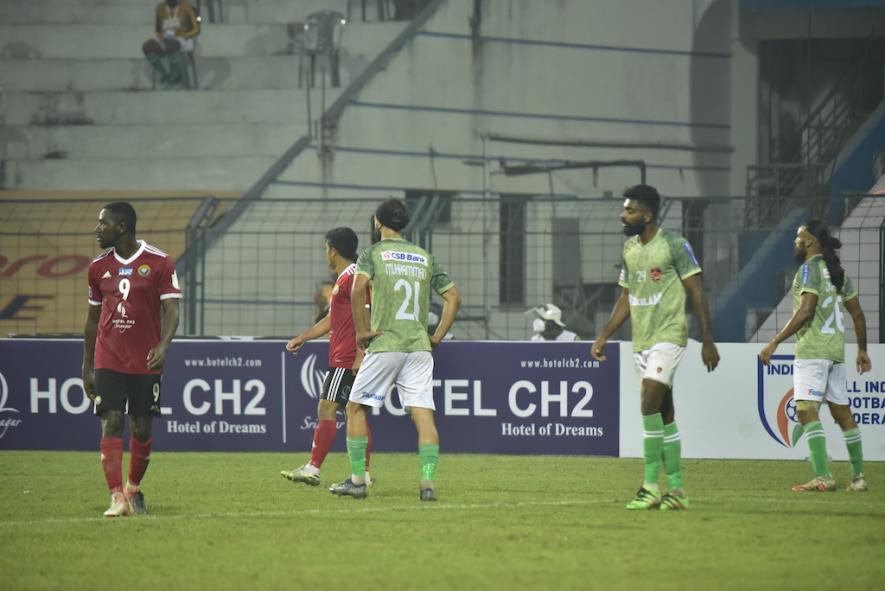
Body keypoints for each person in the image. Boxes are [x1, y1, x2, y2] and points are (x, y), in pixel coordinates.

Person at [591, 185, 719, 511]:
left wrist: (707, 339)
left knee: (648, 402)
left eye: (629, 210)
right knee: (664, 414)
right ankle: (677, 491)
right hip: (642, 340)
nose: (622, 215)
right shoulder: (630, 249)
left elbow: (697, 291)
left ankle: (649, 487)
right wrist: (604, 335)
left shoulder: (675, 244)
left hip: (669, 336)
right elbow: (626, 297)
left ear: (647, 215)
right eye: (624, 209)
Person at [330, 198, 460, 501]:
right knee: (423, 416)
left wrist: (362, 331)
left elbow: (357, 289)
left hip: (386, 343)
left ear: (378, 222)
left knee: (355, 408)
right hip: (418, 348)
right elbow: (454, 297)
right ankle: (427, 484)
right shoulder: (424, 256)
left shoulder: (373, 254)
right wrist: (437, 336)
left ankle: (357, 481)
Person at [82, 202, 181, 517]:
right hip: (108, 357)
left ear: (121, 227)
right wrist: (86, 366)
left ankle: (133, 489)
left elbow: (172, 310)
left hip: (145, 360)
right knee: (111, 420)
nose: (97, 229)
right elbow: (92, 320)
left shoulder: (160, 262)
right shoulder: (97, 267)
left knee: (141, 427)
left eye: (103, 223)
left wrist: (164, 345)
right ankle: (116, 497)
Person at [759, 220, 871, 492]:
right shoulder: (837, 272)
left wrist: (774, 341)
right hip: (835, 352)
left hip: (813, 351)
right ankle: (858, 478)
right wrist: (861, 349)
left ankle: (823, 476)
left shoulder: (809, 269)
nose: (795, 241)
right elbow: (857, 313)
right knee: (843, 414)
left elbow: (806, 311)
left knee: (806, 411)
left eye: (798, 237)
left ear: (809, 242)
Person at [281, 227, 373, 486]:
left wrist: (360, 353)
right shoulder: (346, 278)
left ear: (333, 250)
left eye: (326, 248)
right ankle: (363, 473)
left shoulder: (353, 277)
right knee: (354, 412)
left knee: (327, 407)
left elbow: (366, 313)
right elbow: (333, 318)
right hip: (347, 355)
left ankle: (313, 467)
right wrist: (304, 337)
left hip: (347, 357)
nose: (325, 253)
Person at [142, 0, 200, 87]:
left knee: (172, 46)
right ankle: (165, 74)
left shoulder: (188, 7)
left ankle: (175, 77)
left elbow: (196, 30)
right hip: (165, 39)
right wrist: (161, 37)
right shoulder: (160, 8)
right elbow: (157, 29)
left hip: (184, 38)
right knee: (147, 47)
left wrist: (184, 35)